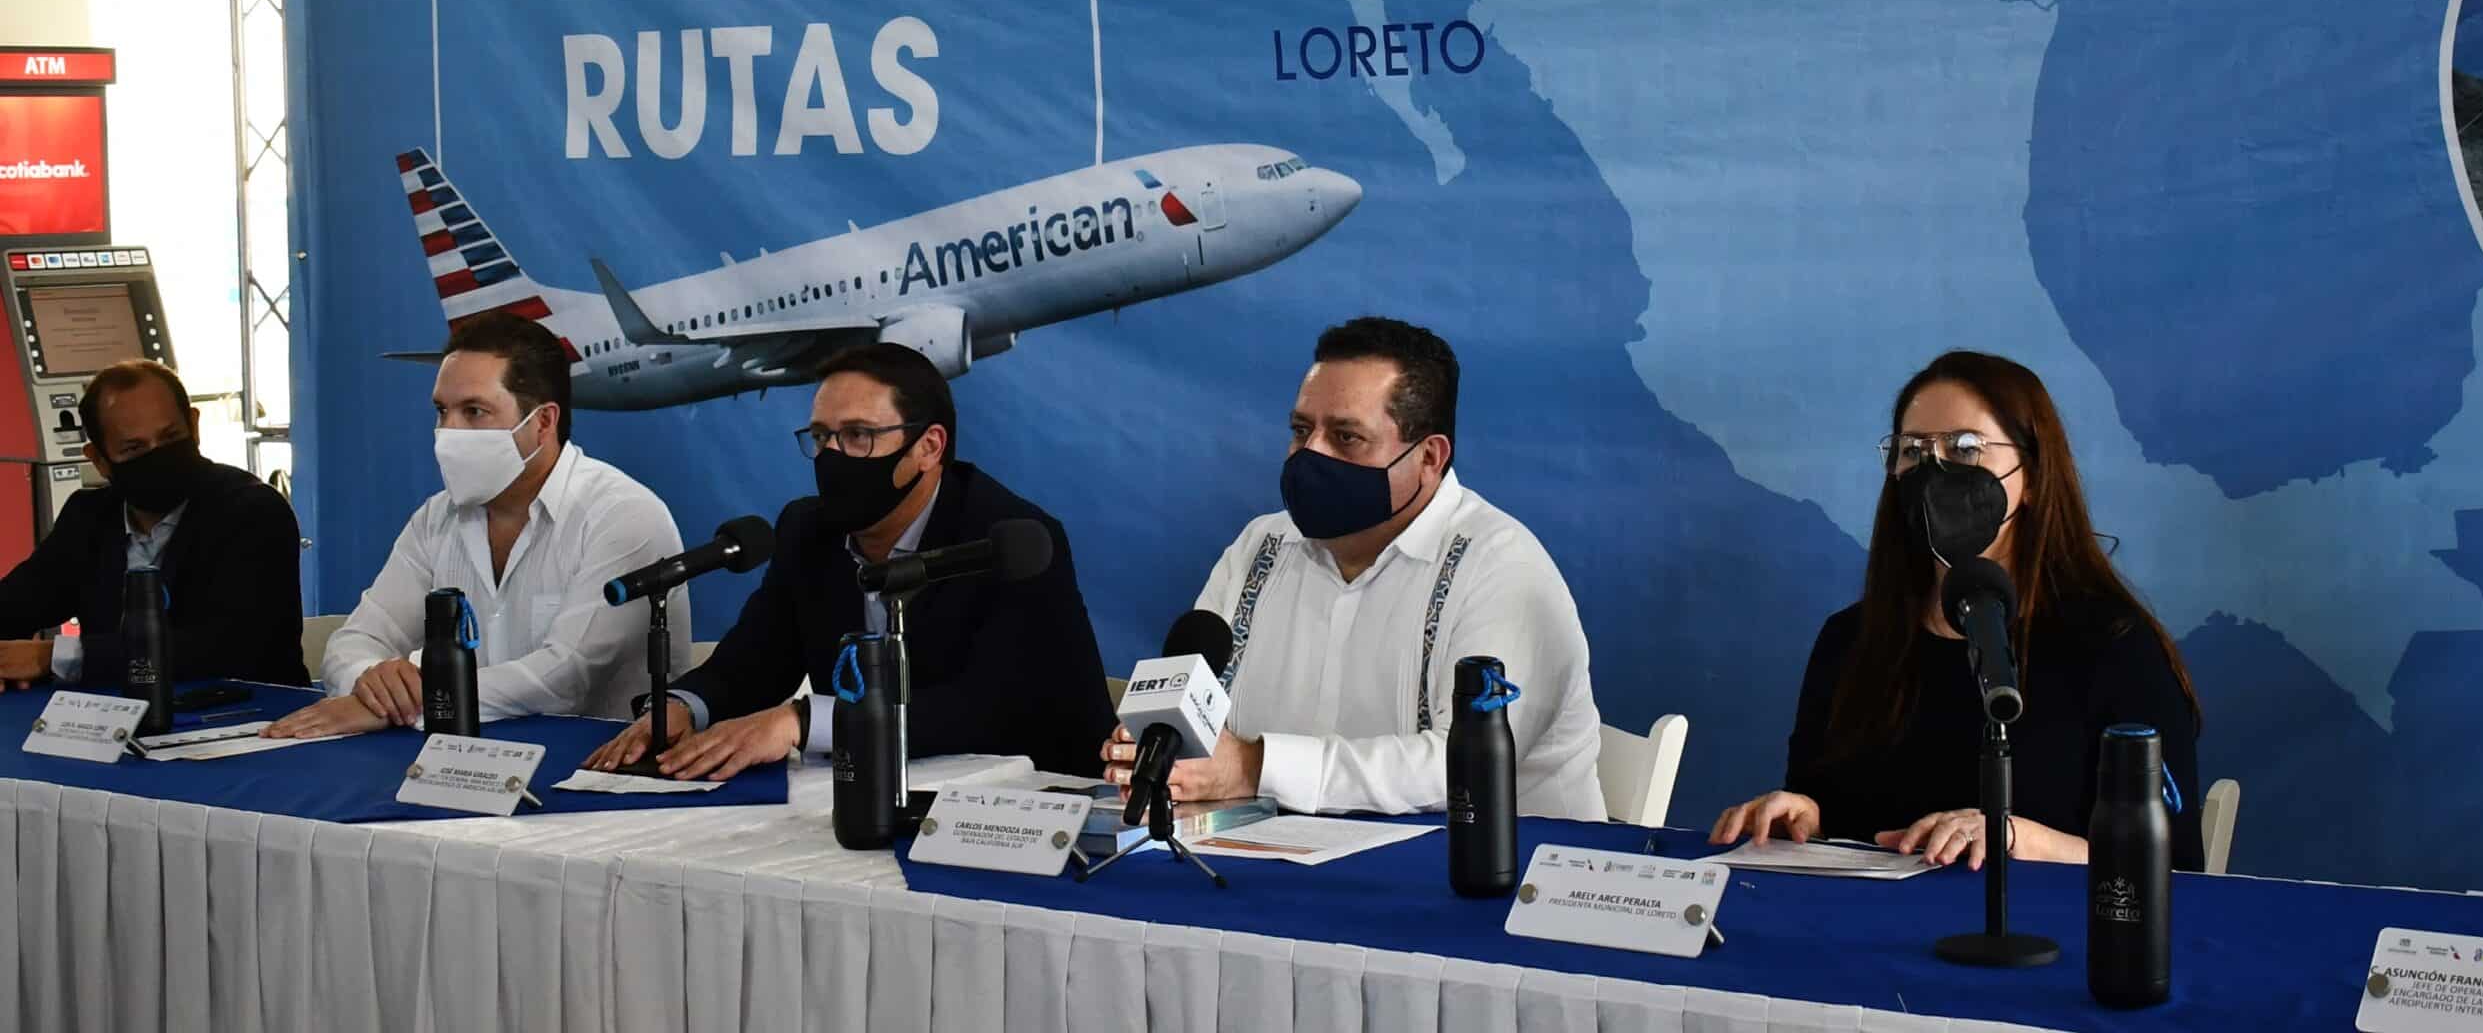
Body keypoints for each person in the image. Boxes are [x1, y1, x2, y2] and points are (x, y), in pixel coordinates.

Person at [1712, 350, 2205, 870]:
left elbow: (2174, 864)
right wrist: (1802, 817)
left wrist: (2019, 838)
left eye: (1965, 448)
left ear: (2034, 475)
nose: (1934, 471)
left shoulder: (2115, 646)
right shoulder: (1850, 640)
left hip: (2044, 920)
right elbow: (1825, 809)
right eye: (1912, 451)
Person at [1101, 317, 1605, 818]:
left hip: (1494, 863)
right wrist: (1162, 751)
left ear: (1429, 457)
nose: (1311, 455)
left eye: (1346, 437)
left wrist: (1253, 766)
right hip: (1276, 854)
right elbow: (1199, 719)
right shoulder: (1262, 546)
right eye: (1302, 430)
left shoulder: (1501, 567)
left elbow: (1465, 766)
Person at [583, 343, 1115, 779]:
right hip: (867, 796)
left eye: (858, 435)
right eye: (821, 437)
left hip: (1039, 807)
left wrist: (801, 721)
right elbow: (752, 663)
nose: (832, 456)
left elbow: (989, 708)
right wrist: (684, 706)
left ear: (929, 447)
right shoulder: (808, 530)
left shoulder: (1011, 540)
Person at [266, 312, 683, 737]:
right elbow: (354, 641)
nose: (448, 431)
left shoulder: (623, 515)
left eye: (474, 411)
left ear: (543, 422)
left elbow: (566, 677)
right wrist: (372, 683)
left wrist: (421, 701)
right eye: (442, 411)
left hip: (595, 766)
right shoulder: (436, 518)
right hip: (454, 761)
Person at [0, 360, 304, 690]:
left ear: (194, 425)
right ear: (99, 460)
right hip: (110, 714)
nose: (158, 456)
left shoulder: (253, 511)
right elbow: (17, 603)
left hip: (250, 712)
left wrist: (54, 657)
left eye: (170, 437)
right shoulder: (89, 516)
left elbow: (227, 646)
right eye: (134, 448)